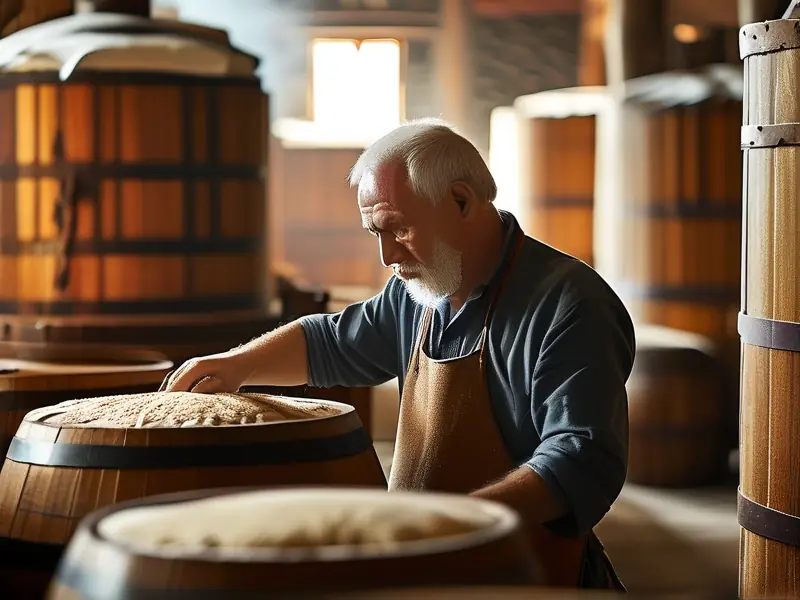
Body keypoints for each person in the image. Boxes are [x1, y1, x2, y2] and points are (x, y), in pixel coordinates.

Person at [161, 119, 635, 589]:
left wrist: (461, 522)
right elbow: (330, 341)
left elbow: (580, 456)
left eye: (398, 229)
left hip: (519, 573)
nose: (387, 256)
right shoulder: (420, 291)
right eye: (375, 233)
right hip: (420, 567)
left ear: (461, 201)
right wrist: (236, 365)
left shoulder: (569, 305)